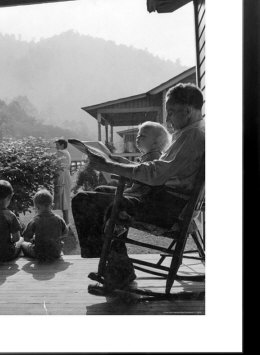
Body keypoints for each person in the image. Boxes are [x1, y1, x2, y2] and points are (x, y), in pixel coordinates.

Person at [72, 83, 205, 289]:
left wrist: (109, 165)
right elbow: (157, 169)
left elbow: (155, 172)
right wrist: (115, 165)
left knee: (84, 200)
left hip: (166, 207)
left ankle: (116, 268)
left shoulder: (193, 136)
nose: (168, 119)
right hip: (165, 200)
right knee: (100, 193)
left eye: (170, 113)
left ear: (187, 111)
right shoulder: (189, 133)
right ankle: (116, 266)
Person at [22, 189, 68, 261]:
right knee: (61, 243)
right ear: (52, 206)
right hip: (56, 253)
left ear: (36, 207)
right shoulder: (59, 219)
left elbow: (26, 237)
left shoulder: (35, 220)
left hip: (39, 254)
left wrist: (34, 240)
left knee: (23, 244)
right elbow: (65, 233)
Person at [53, 138, 72, 226]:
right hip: (64, 176)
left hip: (62, 177)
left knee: (63, 200)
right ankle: (65, 221)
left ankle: (65, 222)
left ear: (62, 145)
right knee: (64, 201)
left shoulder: (61, 153)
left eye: (57, 144)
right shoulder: (66, 153)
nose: (56, 146)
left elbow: (53, 163)